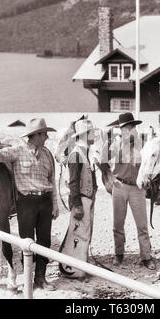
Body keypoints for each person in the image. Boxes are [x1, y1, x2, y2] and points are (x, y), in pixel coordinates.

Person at [0, 118, 59, 290]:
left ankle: (40, 278)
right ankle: (27, 277)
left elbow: (52, 181)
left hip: (45, 202)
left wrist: (55, 205)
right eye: (44, 133)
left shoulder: (47, 154)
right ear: (36, 136)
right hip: (26, 203)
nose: (47, 136)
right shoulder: (18, 151)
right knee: (26, 242)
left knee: (45, 241)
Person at [109, 112, 155, 270]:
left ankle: (146, 256)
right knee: (118, 224)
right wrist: (109, 179)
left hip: (137, 188)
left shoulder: (142, 145)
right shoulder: (116, 144)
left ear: (134, 127)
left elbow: (150, 163)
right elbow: (104, 160)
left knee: (142, 224)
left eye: (130, 127)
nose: (127, 130)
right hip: (119, 186)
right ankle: (119, 253)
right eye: (124, 128)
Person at [59, 118, 98, 279]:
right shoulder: (77, 154)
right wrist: (78, 205)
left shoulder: (83, 152)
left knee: (84, 233)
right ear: (85, 134)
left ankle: (80, 266)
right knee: (79, 234)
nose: (94, 134)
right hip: (81, 200)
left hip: (86, 199)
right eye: (91, 132)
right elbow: (73, 182)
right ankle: (75, 270)